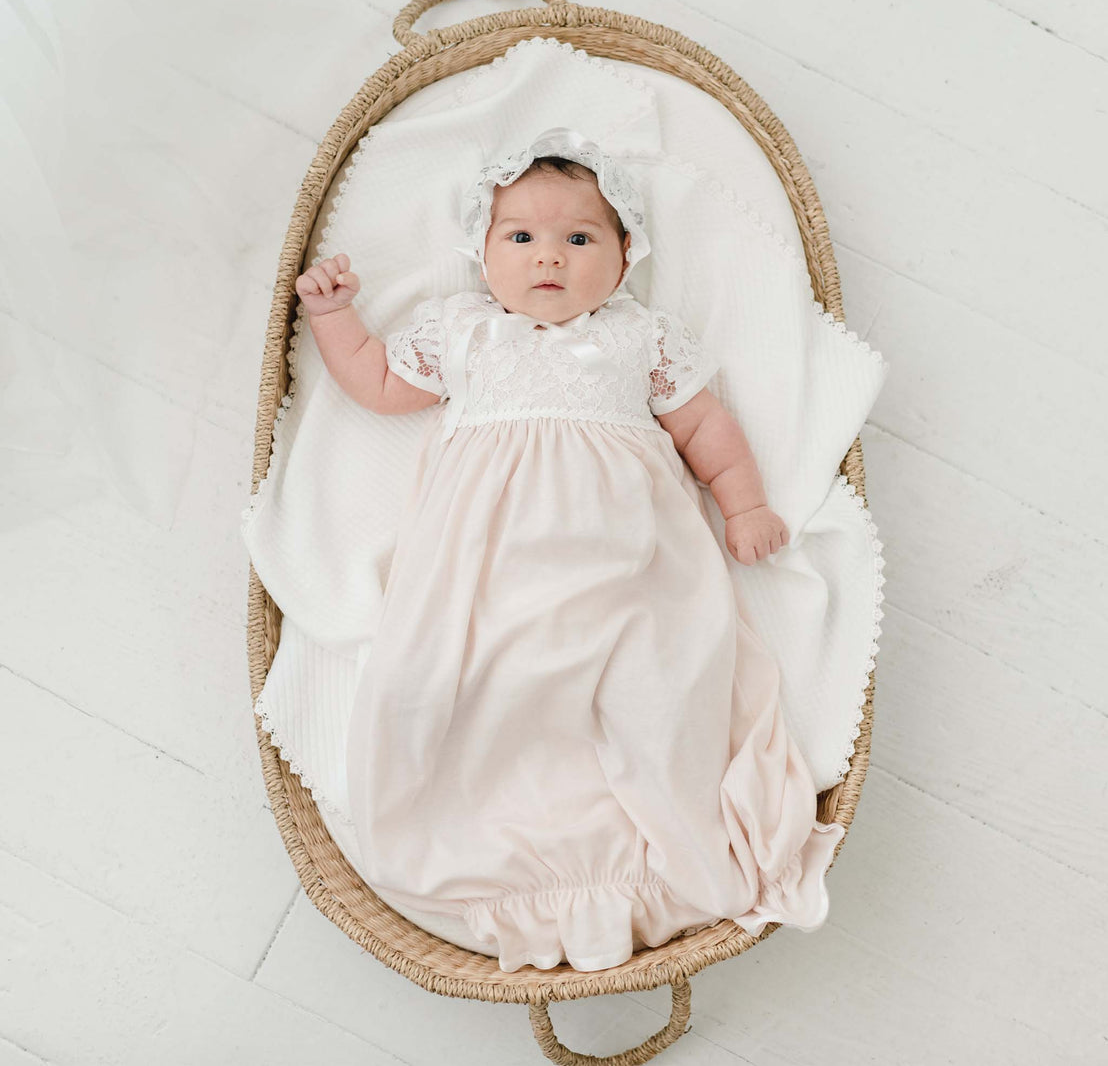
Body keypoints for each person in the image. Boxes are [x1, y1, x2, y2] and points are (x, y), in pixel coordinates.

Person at [293, 128, 844, 973]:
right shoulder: (465, 334)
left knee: (655, 687)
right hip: (486, 569)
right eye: (520, 237)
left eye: (579, 238)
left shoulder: (641, 339)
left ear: (626, 256)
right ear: (482, 254)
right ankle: (494, 840)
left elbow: (705, 429)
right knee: (461, 683)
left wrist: (746, 504)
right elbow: (374, 381)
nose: (548, 256)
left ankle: (652, 847)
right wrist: (333, 315)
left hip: (626, 563)